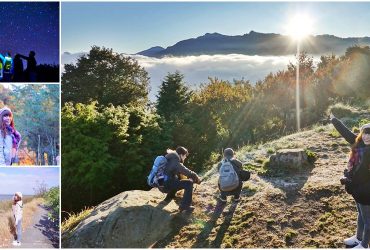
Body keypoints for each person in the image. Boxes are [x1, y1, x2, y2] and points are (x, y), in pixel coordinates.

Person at [330, 114, 370, 248]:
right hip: (357, 188)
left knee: (368, 219)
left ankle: (364, 245)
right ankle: (358, 238)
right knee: (360, 214)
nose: (367, 137)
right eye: (365, 134)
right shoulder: (359, 143)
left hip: (367, 190)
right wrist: (334, 120)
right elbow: (346, 134)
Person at [163, 146, 201, 213]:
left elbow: (182, 172)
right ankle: (185, 207)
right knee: (188, 183)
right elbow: (186, 171)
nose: (185, 157)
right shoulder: (175, 161)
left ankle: (169, 196)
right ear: (181, 154)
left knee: (176, 178)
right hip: (166, 185)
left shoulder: (171, 158)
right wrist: (196, 178)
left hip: (162, 182)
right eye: (185, 155)